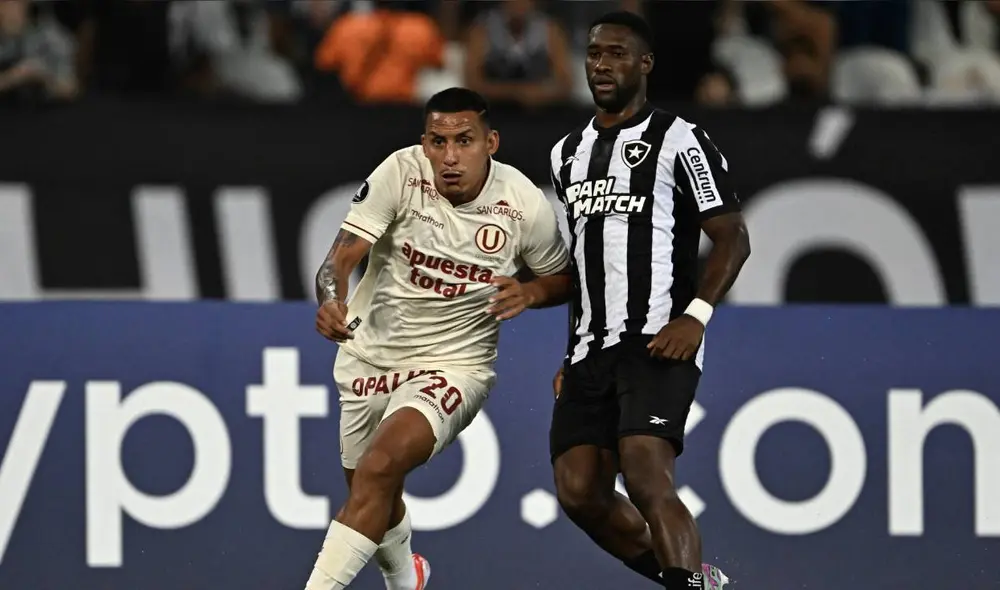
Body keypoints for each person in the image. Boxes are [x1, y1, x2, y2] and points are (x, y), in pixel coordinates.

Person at [308, 86, 572, 590]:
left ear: (490, 142)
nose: (449, 157)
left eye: (464, 141)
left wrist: (531, 292)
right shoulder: (400, 173)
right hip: (369, 358)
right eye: (438, 142)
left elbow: (563, 279)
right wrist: (329, 299)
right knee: (372, 491)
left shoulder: (521, 203)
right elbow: (338, 261)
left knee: (379, 467)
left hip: (454, 366)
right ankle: (408, 579)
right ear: (424, 143)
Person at [547, 11, 750, 590]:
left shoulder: (681, 139)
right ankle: (690, 581)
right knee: (579, 491)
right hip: (592, 347)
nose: (602, 65)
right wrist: (571, 352)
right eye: (593, 55)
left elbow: (733, 236)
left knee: (645, 472)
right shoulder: (566, 154)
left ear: (645, 64)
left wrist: (696, 316)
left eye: (616, 54)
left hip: (660, 337)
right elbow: (588, 263)